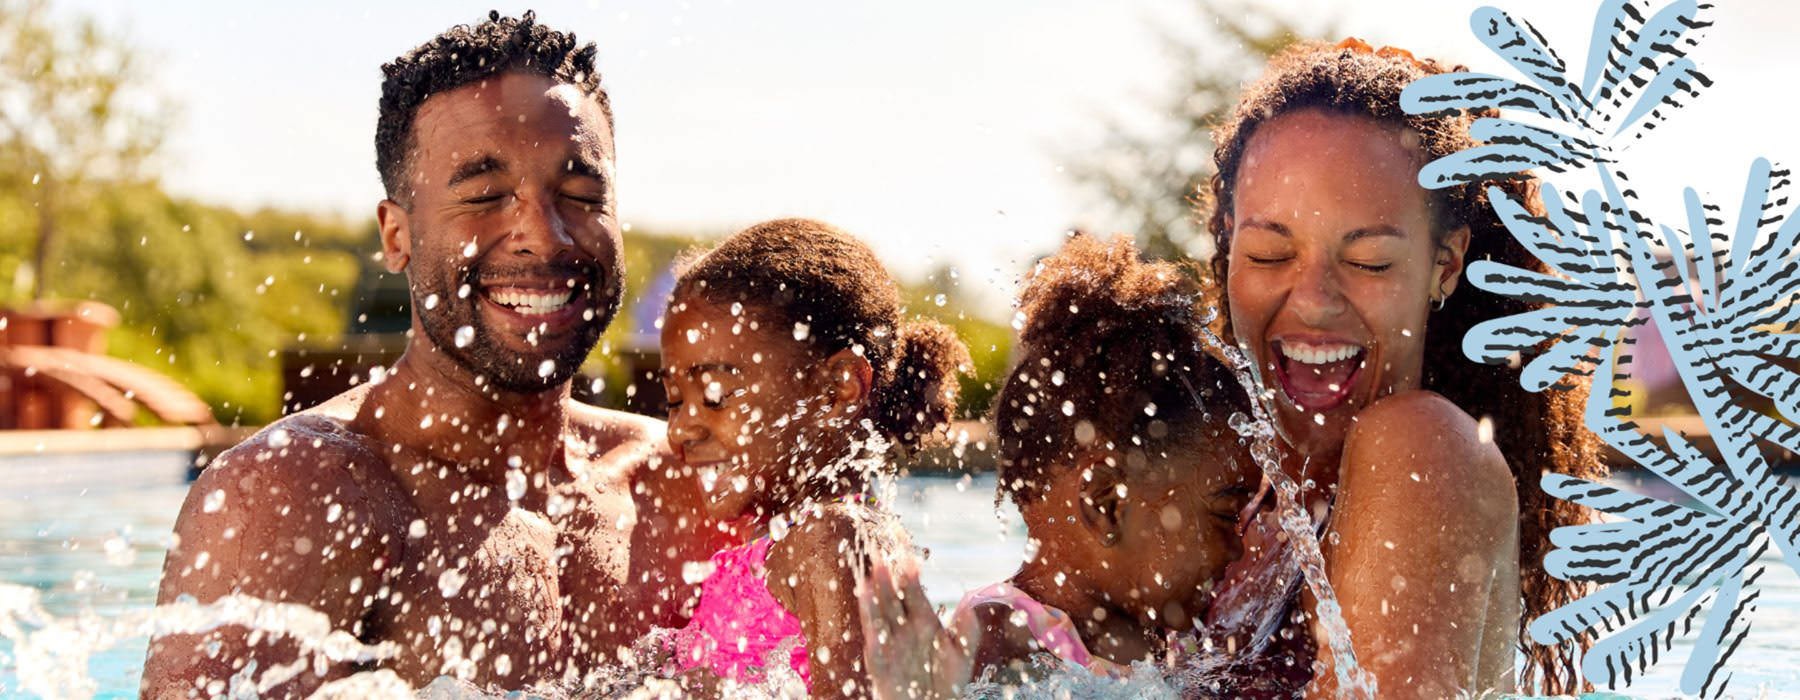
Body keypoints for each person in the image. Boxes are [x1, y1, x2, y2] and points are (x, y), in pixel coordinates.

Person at [141, 13, 713, 697]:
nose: (543, 233)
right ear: (396, 235)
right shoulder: (296, 495)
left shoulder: (687, 479)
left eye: (582, 195)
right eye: (484, 196)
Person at [1198, 39, 1602, 697]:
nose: (1314, 300)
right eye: (1271, 253)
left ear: (1444, 265)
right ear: (1227, 246)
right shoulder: (1230, 492)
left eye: (1369, 262)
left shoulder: (1423, 451)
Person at [860, 233, 1258, 696]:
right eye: (1227, 515)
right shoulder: (1001, 635)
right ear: (1105, 503)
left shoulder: (1170, 636)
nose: (1238, 550)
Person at [658, 218, 971, 697]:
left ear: (837, 388)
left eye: (716, 394)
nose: (681, 429)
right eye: (675, 399)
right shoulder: (795, 542)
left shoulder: (830, 542)